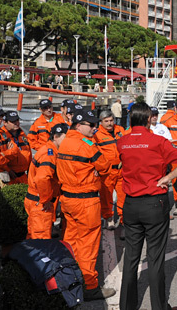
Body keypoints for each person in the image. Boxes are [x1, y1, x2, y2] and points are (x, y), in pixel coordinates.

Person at [117, 102, 177, 310]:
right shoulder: (158, 141)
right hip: (154, 202)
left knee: (131, 260)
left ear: (131, 119)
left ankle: (127, 306)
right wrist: (168, 177)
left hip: (131, 204)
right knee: (155, 259)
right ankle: (159, 307)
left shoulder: (122, 142)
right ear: (148, 118)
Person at [56, 109, 115, 301]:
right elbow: (105, 166)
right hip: (86, 201)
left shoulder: (65, 142)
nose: (94, 128)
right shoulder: (87, 144)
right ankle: (89, 286)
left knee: (71, 242)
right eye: (91, 125)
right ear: (79, 125)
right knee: (88, 245)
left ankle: (69, 279)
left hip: (68, 200)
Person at [25, 124, 68, 239]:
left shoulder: (50, 151)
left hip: (36, 201)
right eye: (66, 138)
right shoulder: (49, 154)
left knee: (33, 235)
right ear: (55, 137)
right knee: (41, 239)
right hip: (40, 203)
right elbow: (42, 178)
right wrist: (46, 200)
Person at [93, 109, 126, 230]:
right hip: (107, 172)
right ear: (101, 122)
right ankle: (108, 218)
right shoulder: (96, 135)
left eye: (111, 120)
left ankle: (123, 220)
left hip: (122, 169)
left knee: (123, 196)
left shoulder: (120, 130)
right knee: (106, 196)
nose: (109, 123)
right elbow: (93, 152)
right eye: (106, 121)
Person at [2, 111, 32, 185]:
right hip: (9, 177)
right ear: (5, 123)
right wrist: (7, 170)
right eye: (12, 121)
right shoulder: (1, 136)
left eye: (17, 120)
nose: (16, 123)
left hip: (23, 176)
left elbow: (29, 153)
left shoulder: (22, 135)